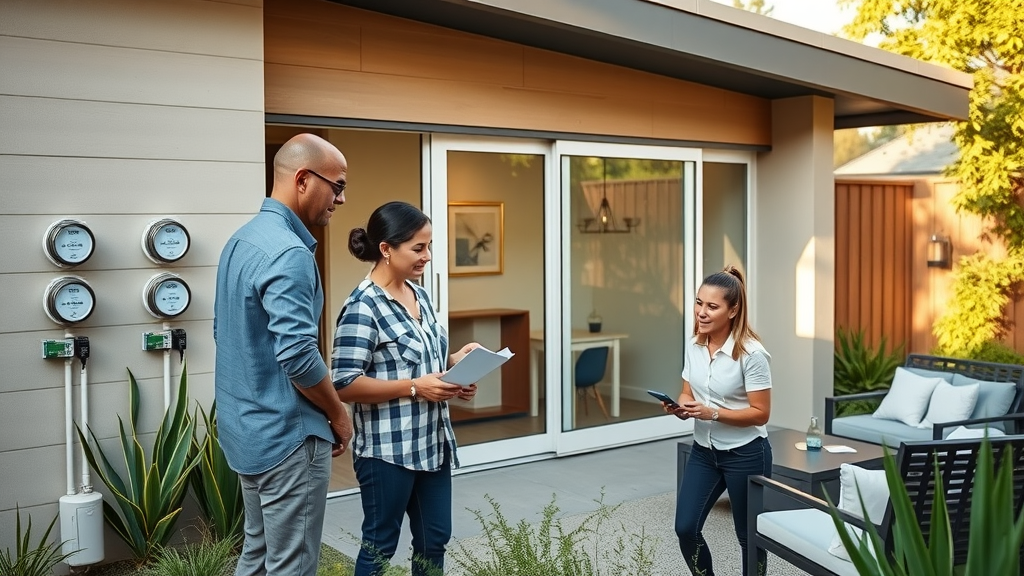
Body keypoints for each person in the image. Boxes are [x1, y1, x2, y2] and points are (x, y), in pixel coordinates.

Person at [214, 133, 354, 576]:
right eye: (337, 186)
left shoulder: (241, 240)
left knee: (257, 555)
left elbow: (223, 332)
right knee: (290, 566)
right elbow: (298, 355)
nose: (341, 199)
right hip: (286, 439)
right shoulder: (289, 252)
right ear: (303, 180)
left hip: (246, 432)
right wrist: (338, 413)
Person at [331, 201, 480, 576]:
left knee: (435, 539)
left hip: (432, 443)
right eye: (418, 248)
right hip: (387, 452)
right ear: (386, 249)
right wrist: (415, 387)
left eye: (429, 246)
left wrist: (456, 366)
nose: (427, 256)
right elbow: (344, 383)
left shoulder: (421, 296)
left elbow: (425, 362)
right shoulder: (362, 307)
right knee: (380, 546)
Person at [665, 266, 773, 576]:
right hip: (704, 452)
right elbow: (687, 391)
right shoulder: (694, 344)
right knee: (686, 527)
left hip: (746, 453)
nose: (701, 312)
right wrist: (682, 406)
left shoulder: (752, 354)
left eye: (712, 306)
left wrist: (712, 412)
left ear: (733, 310)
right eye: (699, 303)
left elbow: (761, 413)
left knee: (748, 537)